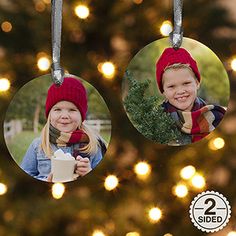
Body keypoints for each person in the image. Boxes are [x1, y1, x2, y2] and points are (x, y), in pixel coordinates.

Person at [21, 76, 107, 182]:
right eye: (57, 109)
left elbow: (101, 180)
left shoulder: (92, 145)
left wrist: (89, 172)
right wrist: (45, 181)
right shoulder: (38, 146)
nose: (64, 116)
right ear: (49, 115)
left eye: (72, 110)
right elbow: (24, 179)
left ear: (82, 115)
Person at [156, 47, 226, 145]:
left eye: (186, 83)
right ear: (163, 90)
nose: (180, 91)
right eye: (171, 86)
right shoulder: (154, 122)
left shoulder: (216, 116)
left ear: (197, 83)